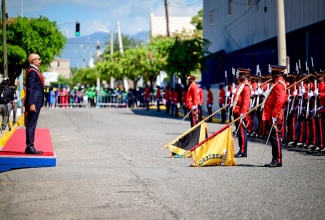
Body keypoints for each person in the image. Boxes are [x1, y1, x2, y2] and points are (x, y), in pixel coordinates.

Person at [262, 65, 287, 167]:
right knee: (273, 137)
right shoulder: (276, 83)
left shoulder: (279, 84)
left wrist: (274, 115)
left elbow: (280, 100)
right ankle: (275, 159)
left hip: (275, 114)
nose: (271, 75)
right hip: (272, 113)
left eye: (273, 73)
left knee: (276, 137)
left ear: (278, 74)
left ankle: (277, 160)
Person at [24, 53, 44, 155]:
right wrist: (31, 103)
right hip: (34, 103)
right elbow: (30, 88)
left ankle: (30, 146)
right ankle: (30, 146)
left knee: (32, 124)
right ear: (33, 61)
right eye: (38, 59)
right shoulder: (32, 71)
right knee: (31, 125)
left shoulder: (34, 70)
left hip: (36, 102)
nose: (40, 61)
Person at [232, 68, 252, 158]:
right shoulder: (241, 85)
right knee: (239, 132)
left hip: (242, 112)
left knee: (242, 132)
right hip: (237, 110)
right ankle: (241, 149)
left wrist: (243, 112)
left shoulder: (246, 86)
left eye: (240, 75)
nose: (238, 76)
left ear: (244, 76)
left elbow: (246, 101)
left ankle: (243, 151)